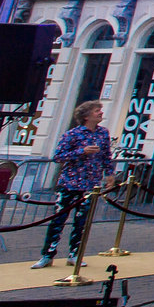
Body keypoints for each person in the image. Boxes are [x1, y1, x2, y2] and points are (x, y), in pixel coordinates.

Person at [35, 101, 114, 268]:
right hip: (70, 183)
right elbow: (58, 156)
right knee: (58, 220)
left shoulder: (103, 134)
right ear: (86, 116)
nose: (100, 113)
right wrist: (81, 152)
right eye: (96, 111)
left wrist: (110, 174)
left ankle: (75, 254)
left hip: (90, 184)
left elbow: (106, 155)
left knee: (81, 222)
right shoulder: (73, 134)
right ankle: (48, 254)